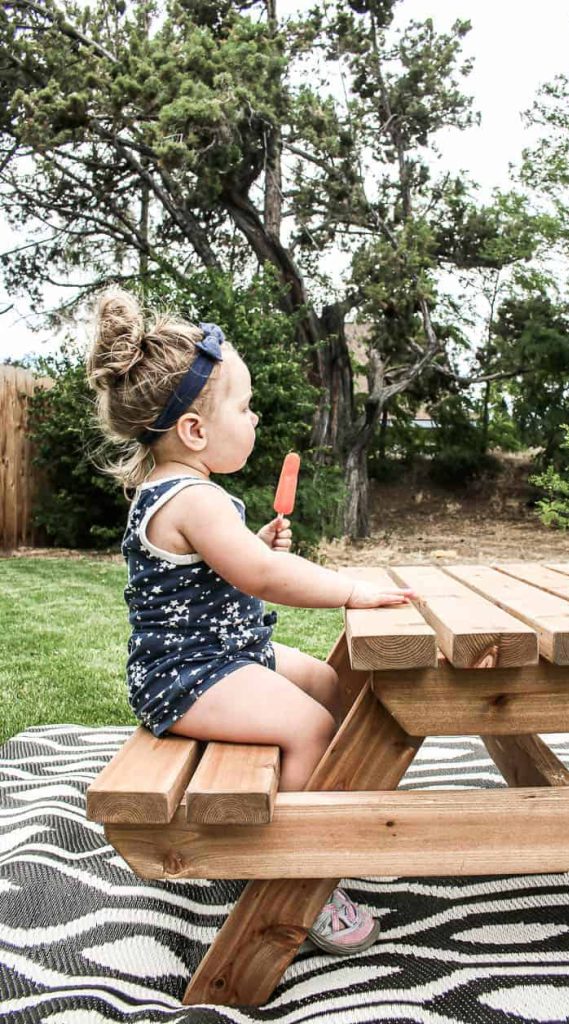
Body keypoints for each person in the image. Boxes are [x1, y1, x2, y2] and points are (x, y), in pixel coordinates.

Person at [86, 289, 416, 957]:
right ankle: (297, 878)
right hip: (188, 677)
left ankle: (337, 818)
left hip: (228, 655)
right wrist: (352, 591)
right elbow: (264, 581)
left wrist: (255, 543)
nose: (255, 415)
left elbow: (234, 567)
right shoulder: (194, 499)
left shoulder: (189, 495)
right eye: (243, 405)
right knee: (309, 724)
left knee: (327, 681)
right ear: (195, 432)